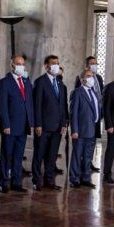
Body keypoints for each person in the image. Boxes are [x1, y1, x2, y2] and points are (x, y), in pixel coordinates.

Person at [0, 55, 33, 193]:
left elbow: (29, 103)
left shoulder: (26, 81)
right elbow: (3, 105)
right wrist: (5, 124)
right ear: (12, 65)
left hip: (23, 125)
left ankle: (16, 182)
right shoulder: (5, 82)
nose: (21, 67)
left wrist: (31, 121)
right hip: (10, 126)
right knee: (6, 155)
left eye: (22, 64)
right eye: (18, 64)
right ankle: (4, 182)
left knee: (18, 155)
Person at [32, 55, 68, 190]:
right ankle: (37, 180)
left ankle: (49, 180)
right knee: (39, 154)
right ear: (46, 66)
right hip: (44, 126)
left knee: (52, 156)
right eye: (53, 63)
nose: (56, 66)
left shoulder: (60, 83)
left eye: (58, 63)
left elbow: (63, 105)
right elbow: (37, 105)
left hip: (57, 126)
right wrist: (38, 124)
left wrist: (64, 123)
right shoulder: (40, 82)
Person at [69, 69, 100, 188]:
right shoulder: (77, 93)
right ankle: (74, 179)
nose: (91, 78)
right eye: (88, 76)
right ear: (82, 79)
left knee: (88, 157)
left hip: (92, 130)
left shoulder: (94, 92)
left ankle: (85, 178)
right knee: (77, 156)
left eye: (92, 76)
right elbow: (74, 113)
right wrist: (74, 130)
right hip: (80, 131)